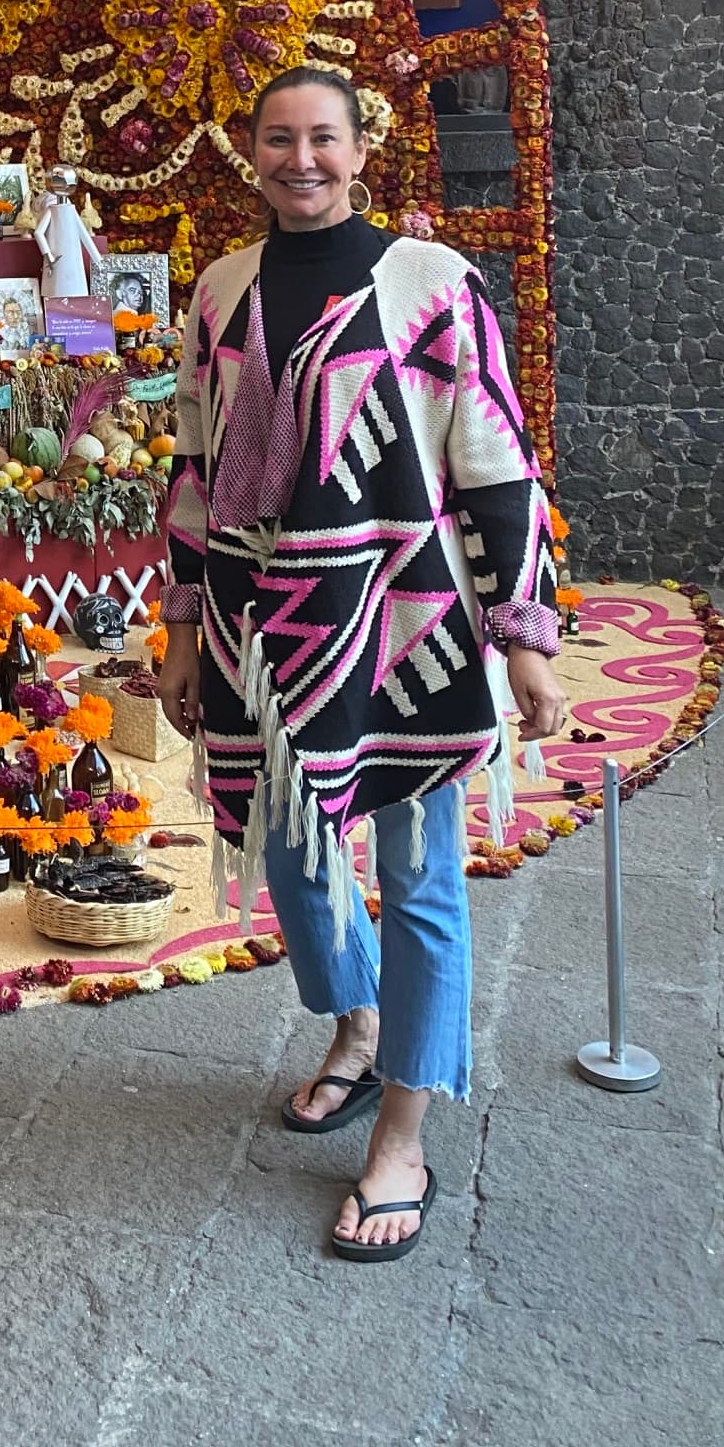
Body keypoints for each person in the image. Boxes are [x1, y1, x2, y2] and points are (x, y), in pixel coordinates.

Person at [154, 66, 566, 1260]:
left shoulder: (431, 284)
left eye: (320, 138)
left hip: (404, 621)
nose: (301, 160)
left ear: (356, 149)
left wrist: (522, 635)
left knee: (421, 876)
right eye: (277, 139)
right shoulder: (220, 290)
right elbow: (189, 464)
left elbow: (490, 457)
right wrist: (181, 631)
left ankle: (401, 1131)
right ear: (251, 152)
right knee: (288, 849)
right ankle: (352, 1019)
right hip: (253, 626)